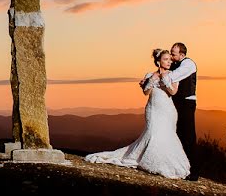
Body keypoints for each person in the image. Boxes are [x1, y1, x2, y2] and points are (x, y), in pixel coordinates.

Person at [85, 49, 190, 179]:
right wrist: (152, 79)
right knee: (152, 133)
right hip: (153, 110)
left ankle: (167, 162)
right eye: (165, 59)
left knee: (166, 135)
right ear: (158, 61)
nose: (169, 62)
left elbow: (173, 92)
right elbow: (146, 92)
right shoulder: (150, 75)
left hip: (168, 111)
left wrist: (165, 78)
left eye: (170, 59)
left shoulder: (173, 74)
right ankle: (151, 159)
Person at [169, 42, 198, 181]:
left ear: (182, 54)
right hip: (177, 102)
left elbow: (173, 77)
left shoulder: (188, 64)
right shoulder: (174, 64)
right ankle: (181, 167)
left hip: (187, 103)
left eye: (173, 53)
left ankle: (194, 170)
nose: (170, 55)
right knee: (178, 134)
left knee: (189, 136)